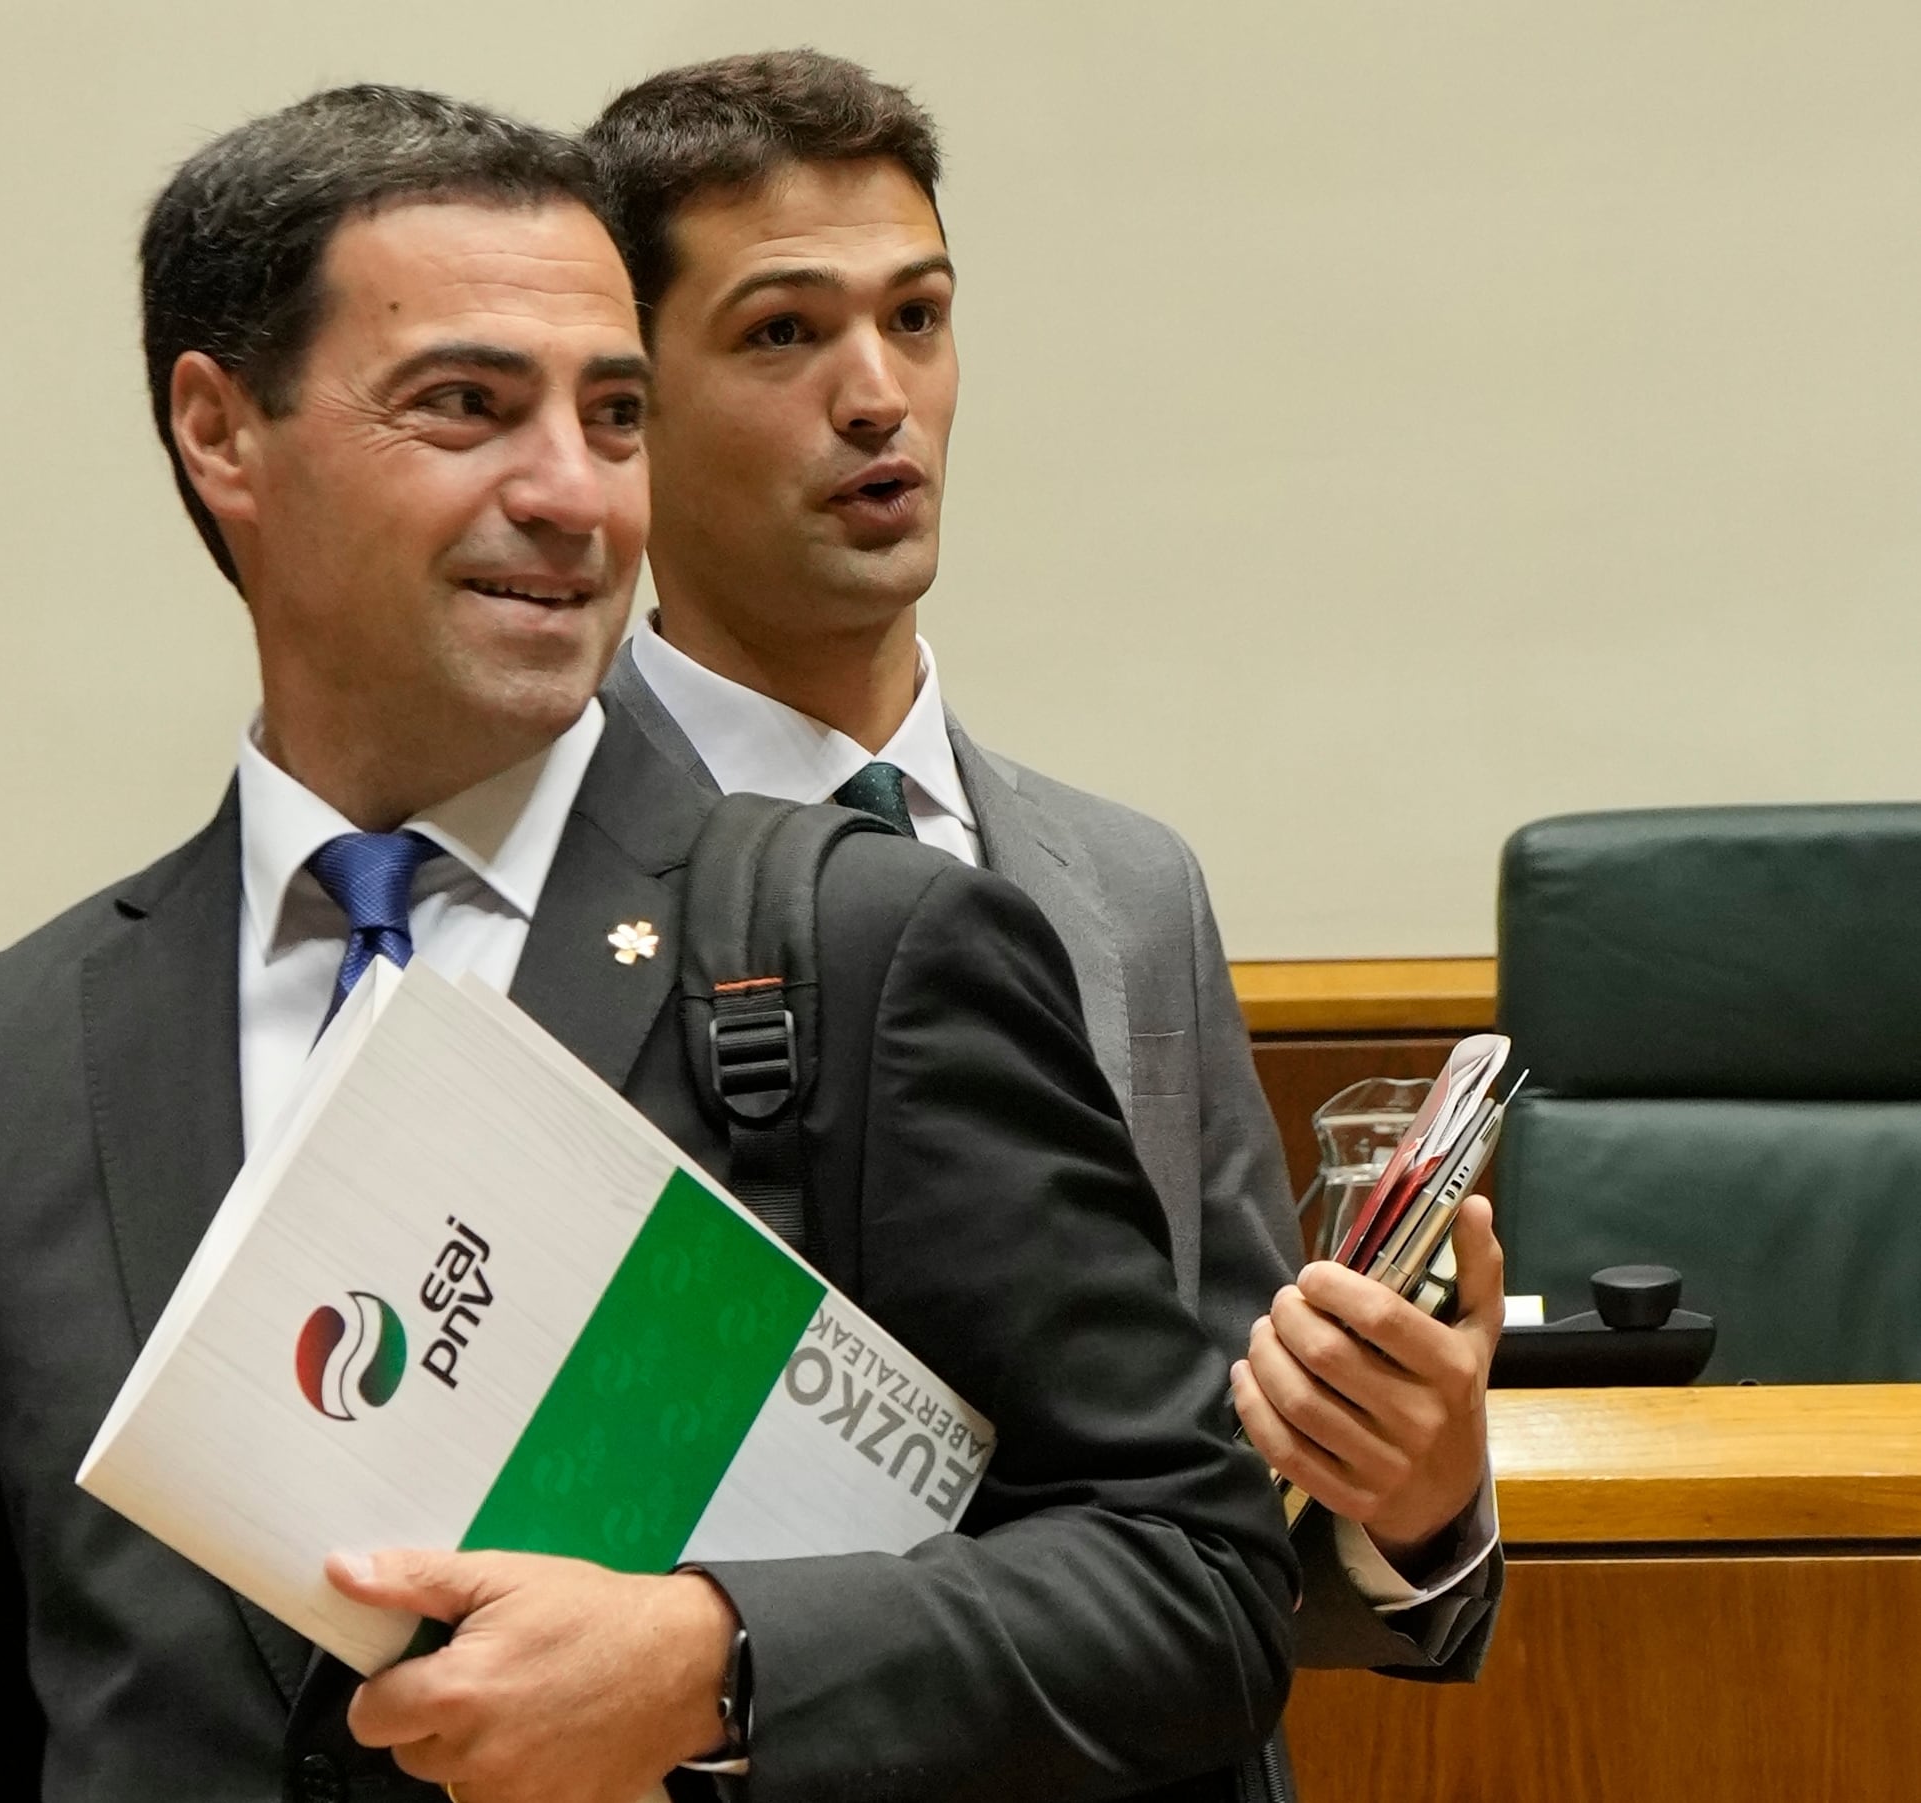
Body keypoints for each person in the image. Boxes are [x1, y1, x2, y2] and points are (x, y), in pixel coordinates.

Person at [0, 84, 1294, 1803]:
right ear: (221, 432)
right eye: (469, 409)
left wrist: (719, 1662)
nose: (574, 496)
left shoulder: (863, 946)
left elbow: (1197, 1581)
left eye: (615, 416)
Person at [582, 47, 1506, 1786]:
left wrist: (1415, 1490)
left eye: (918, 318)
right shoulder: (530, 870)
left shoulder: (1122, 886)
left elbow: (1234, 1520)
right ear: (625, 408)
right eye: (786, 334)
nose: (878, 395)